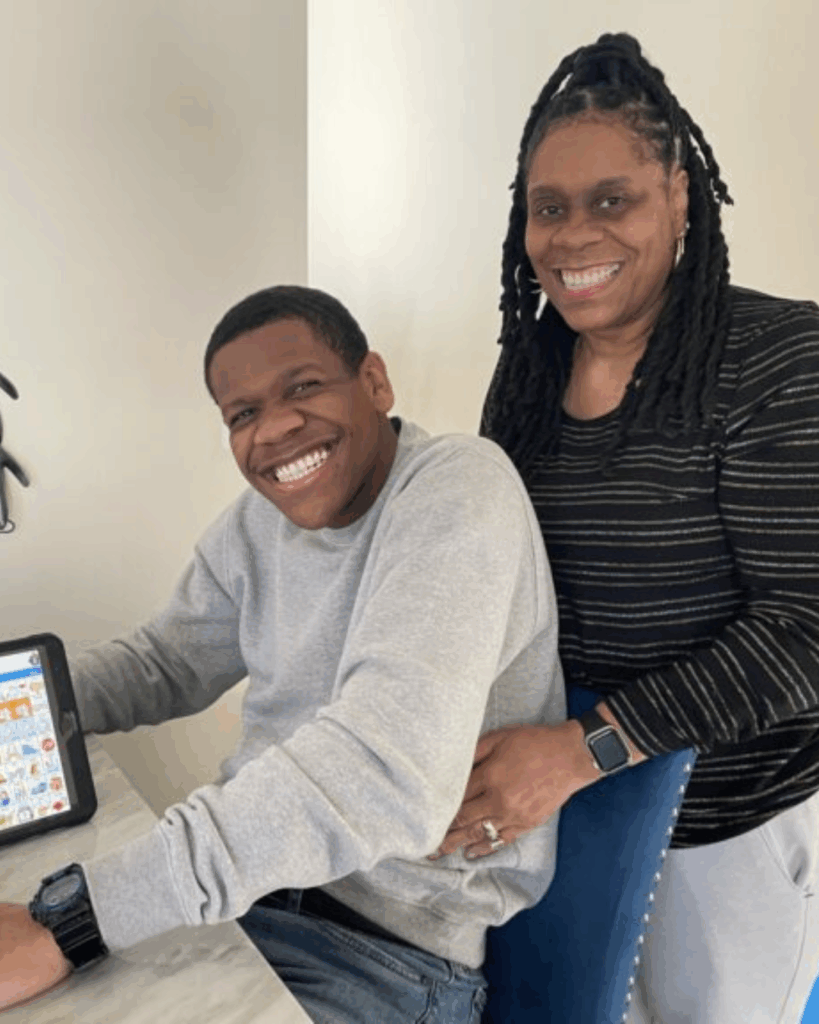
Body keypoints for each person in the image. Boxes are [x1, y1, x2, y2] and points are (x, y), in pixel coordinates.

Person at [0, 285, 575, 1023]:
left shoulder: (457, 488)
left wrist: (73, 919)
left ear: (373, 381)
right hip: (251, 906)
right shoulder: (254, 526)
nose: (274, 429)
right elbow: (162, 664)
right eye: (242, 415)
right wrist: (22, 697)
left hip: (384, 956)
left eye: (302, 387)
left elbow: (378, 771)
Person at [430, 31, 819, 1024]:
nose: (573, 235)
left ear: (679, 195)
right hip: (564, 811)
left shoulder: (778, 360)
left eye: (613, 199)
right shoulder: (524, 377)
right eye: (547, 208)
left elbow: (805, 635)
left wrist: (581, 749)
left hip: (726, 829)